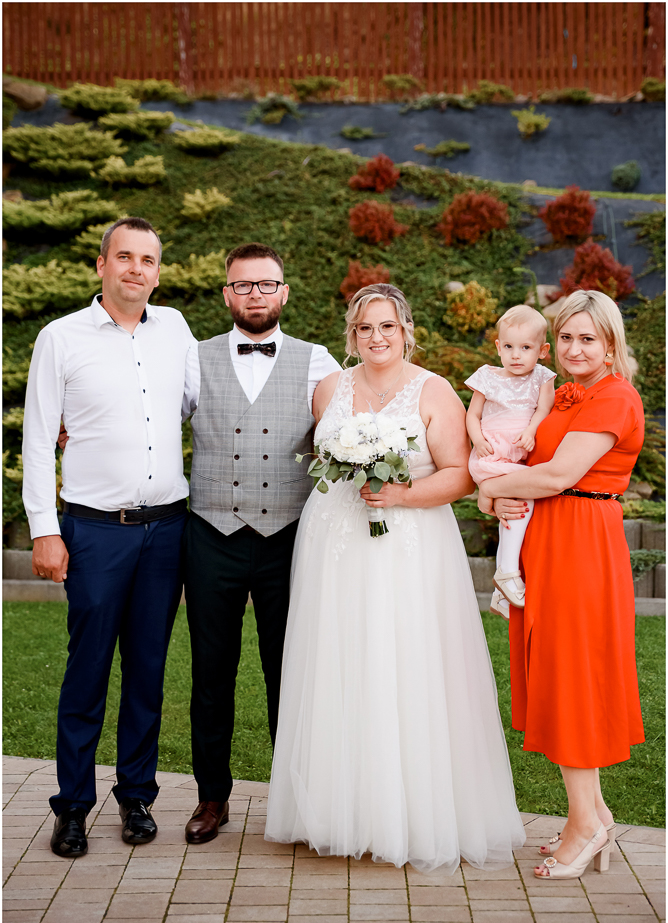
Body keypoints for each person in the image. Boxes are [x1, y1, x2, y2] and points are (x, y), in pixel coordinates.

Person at [264, 283, 526, 873]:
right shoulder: (330, 389)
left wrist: (401, 495)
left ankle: (409, 815)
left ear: (406, 330)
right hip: (333, 543)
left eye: (387, 326)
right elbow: (322, 460)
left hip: (408, 545)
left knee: (404, 662)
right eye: (364, 328)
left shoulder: (434, 391)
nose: (376, 337)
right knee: (337, 662)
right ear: (351, 335)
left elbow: (460, 474)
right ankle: (335, 812)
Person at [23, 217, 199, 857]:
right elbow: (38, 438)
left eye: (147, 260)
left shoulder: (175, 329)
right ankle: (72, 807)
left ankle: (136, 798)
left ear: (158, 271)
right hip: (95, 531)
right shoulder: (60, 337)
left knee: (147, 671)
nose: (135, 269)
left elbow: (199, 405)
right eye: (124, 257)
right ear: (102, 265)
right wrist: (45, 529)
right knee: (88, 671)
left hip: (167, 530)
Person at [478, 289, 645, 880]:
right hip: (549, 537)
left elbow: (558, 475)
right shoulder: (567, 394)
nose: (574, 349)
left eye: (587, 339)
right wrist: (501, 494)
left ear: (611, 345)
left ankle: (584, 826)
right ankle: (595, 815)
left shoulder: (614, 397)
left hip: (581, 544)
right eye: (566, 337)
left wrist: (489, 490)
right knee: (556, 671)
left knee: (573, 676)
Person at [182, 242, 341, 844]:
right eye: (243, 285)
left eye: (266, 284)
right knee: (211, 672)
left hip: (289, 538)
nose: (255, 294)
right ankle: (211, 797)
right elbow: (148, 419)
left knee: (289, 671)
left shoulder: (317, 360)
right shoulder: (194, 359)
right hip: (211, 534)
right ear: (227, 293)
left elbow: (351, 429)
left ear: (284, 292)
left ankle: (293, 802)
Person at [465, 305, 556, 619]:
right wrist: (477, 440)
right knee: (524, 499)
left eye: (526, 348)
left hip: (517, 454)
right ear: (498, 346)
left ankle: (501, 587)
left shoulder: (542, 377)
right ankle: (507, 571)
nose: (516, 355)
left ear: (542, 351)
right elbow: (473, 415)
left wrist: (530, 431)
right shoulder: (488, 376)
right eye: (508, 347)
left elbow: (543, 410)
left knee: (512, 508)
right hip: (491, 455)